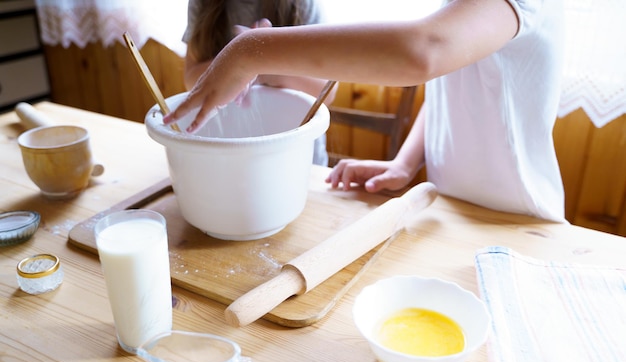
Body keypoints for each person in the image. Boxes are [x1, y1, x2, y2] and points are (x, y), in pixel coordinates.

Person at [165, 0, 567, 222]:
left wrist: (250, 51)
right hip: (456, 208)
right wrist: (404, 164)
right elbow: (452, 90)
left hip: (519, 219)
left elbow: (421, 51)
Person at [182, 0, 335, 166]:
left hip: (299, 157)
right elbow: (191, 79)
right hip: (228, 154)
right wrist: (239, 60)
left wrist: (261, 63)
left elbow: (326, 91)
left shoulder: (302, 3)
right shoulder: (202, 3)